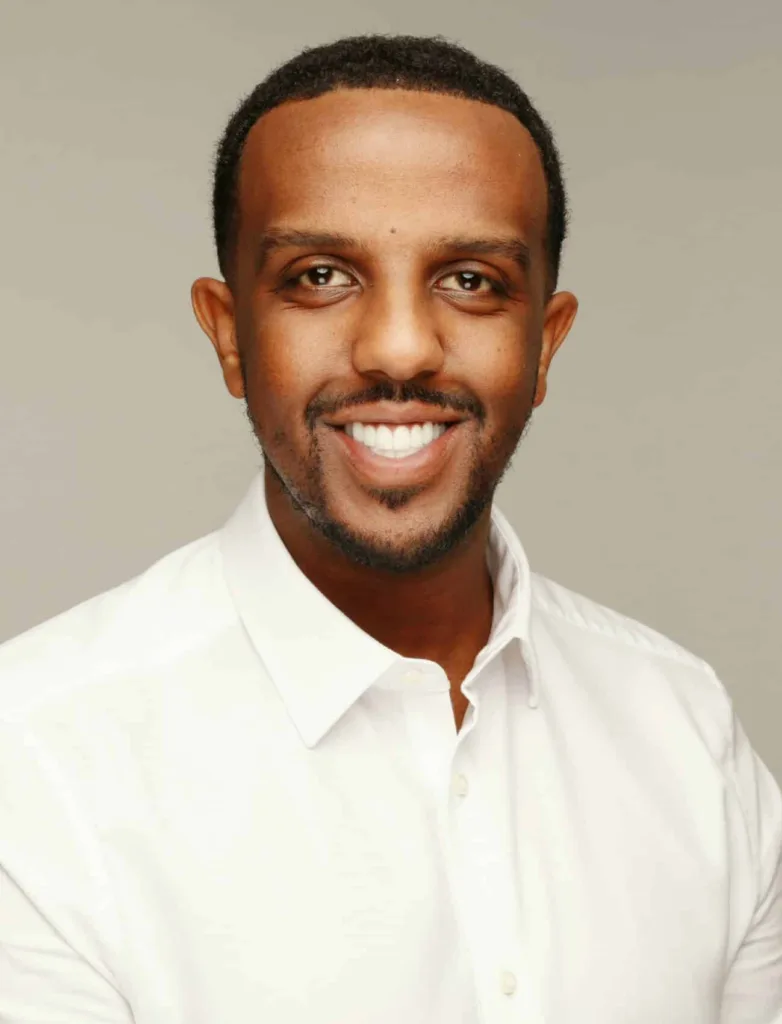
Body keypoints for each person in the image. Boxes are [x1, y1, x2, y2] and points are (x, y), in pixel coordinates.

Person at [0, 33, 779, 1024]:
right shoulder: (34, 764)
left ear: (544, 345)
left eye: (470, 280)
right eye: (322, 275)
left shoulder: (686, 729)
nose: (401, 348)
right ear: (230, 335)